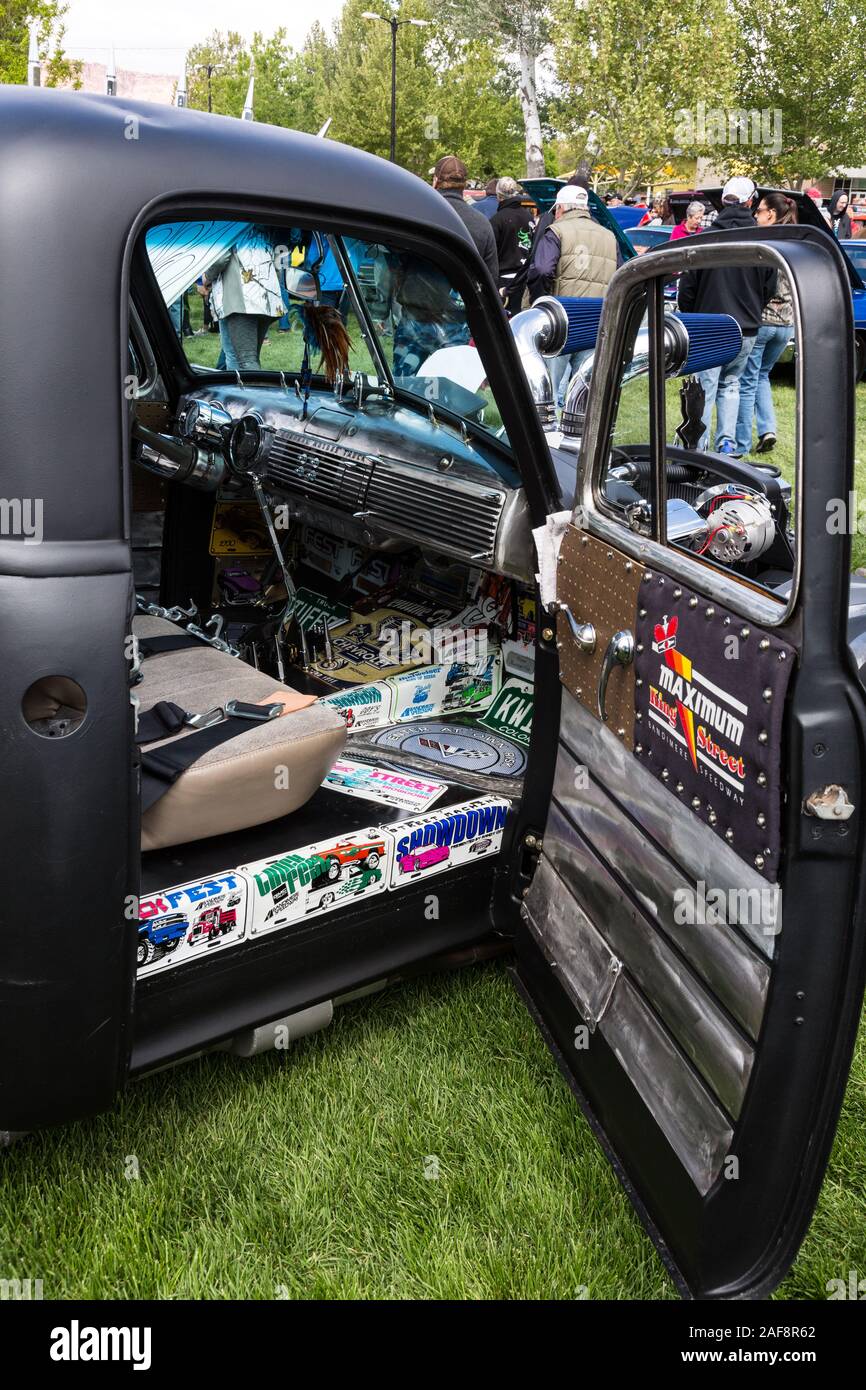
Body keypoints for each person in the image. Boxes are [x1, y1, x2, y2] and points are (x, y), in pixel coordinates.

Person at [677, 176, 777, 454]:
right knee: (731, 384)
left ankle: (699, 447)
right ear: (750, 202)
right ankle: (726, 442)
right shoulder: (761, 243)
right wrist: (753, 307)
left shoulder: (706, 240)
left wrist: (694, 317)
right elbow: (770, 285)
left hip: (709, 326)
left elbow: (687, 287)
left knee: (706, 387)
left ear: (723, 201)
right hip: (746, 327)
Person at [526, 184, 618, 405]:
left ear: (561, 209)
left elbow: (541, 270)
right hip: (596, 319)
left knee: (548, 388)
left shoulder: (556, 231)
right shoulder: (609, 237)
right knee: (581, 391)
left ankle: (546, 437)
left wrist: (541, 302)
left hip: (562, 319)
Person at [734, 192, 797, 457]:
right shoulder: (796, 241)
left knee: (748, 380)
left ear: (771, 214)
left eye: (759, 211)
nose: (755, 215)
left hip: (763, 320)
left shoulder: (766, 242)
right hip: (787, 325)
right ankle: (768, 428)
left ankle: (741, 442)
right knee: (762, 376)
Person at [202, 225, 284, 370]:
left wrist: (207, 277)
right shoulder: (264, 222)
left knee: (246, 360)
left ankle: (252, 393)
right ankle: (235, 390)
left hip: (241, 299)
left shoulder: (231, 220)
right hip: (267, 297)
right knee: (236, 355)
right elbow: (279, 256)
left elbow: (221, 258)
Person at [431, 155, 498, 281]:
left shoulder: (420, 212)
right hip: (463, 298)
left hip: (415, 296)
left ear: (435, 181)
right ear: (464, 184)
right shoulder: (482, 223)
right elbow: (491, 278)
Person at [490, 176, 536, 314]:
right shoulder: (528, 217)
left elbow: (491, 252)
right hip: (524, 279)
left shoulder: (497, 219)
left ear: (499, 196)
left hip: (503, 281)